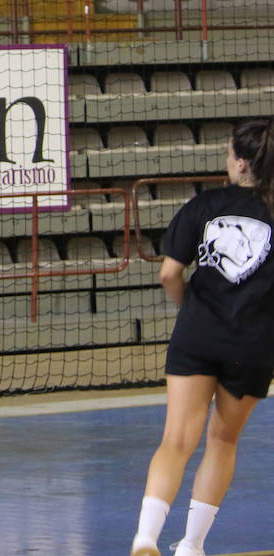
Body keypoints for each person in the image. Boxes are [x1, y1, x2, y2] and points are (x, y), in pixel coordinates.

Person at [130, 120, 274, 556]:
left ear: (241, 161)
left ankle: (145, 539)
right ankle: (192, 545)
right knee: (222, 442)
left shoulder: (203, 205)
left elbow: (169, 273)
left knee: (176, 441)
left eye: (230, 153)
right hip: (253, 342)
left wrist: (187, 309)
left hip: (197, 333)